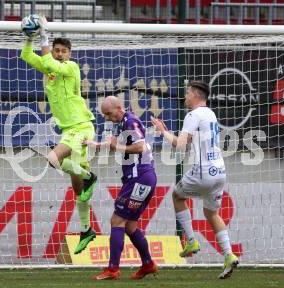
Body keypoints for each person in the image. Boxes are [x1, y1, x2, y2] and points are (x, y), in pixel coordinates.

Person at [20, 16, 97, 254]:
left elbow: (50, 64)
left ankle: (90, 176)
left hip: (81, 126)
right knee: (78, 190)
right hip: (68, 129)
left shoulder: (70, 68)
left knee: (53, 160)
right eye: (57, 50)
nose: (60, 54)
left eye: (64, 51)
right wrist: (30, 38)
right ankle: (87, 229)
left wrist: (44, 36)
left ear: (70, 53)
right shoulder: (51, 68)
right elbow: (26, 56)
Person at [151, 81, 239, 279]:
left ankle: (190, 240)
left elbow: (181, 146)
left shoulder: (193, 115)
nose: (184, 97)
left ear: (195, 95)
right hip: (220, 172)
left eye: (187, 93)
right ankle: (229, 254)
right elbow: (189, 143)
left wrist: (162, 132)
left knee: (177, 196)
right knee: (211, 212)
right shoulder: (210, 114)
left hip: (203, 172)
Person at [87, 96, 158, 280]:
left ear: (119, 108)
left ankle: (113, 269)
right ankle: (148, 264)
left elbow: (140, 147)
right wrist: (95, 144)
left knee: (116, 221)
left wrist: (116, 146)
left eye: (108, 113)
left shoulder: (130, 121)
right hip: (140, 178)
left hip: (139, 178)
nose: (107, 118)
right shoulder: (125, 122)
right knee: (130, 225)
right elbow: (119, 144)